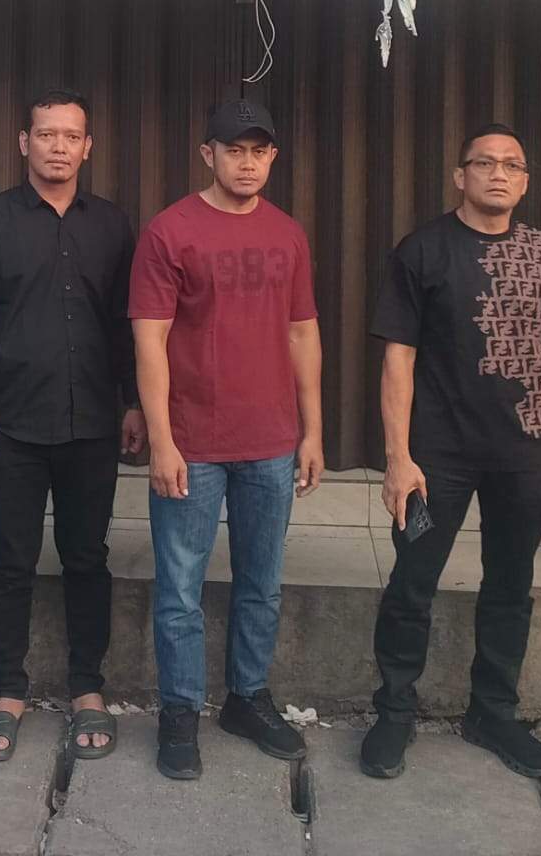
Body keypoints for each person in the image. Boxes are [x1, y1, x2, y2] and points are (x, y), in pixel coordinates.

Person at [362, 124, 541, 782]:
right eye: (485, 163)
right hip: (436, 456)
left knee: (510, 586)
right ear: (460, 176)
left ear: (524, 182)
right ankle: (394, 711)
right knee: (413, 580)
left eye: (512, 165)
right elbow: (398, 360)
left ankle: (493, 713)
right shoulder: (422, 251)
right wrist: (398, 456)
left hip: (525, 453)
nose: (498, 174)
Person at [0, 88, 145, 764]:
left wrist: (133, 402)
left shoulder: (111, 225)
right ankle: (8, 690)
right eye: (46, 134)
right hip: (11, 425)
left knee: (88, 556)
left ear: (88, 147)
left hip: (92, 423)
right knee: (12, 558)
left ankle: (88, 686)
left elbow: (125, 323)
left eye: (71, 135)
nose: (58, 146)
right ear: (24, 143)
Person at [129, 98, 324, 781]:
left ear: (273, 157)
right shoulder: (170, 231)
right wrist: (162, 440)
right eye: (233, 150)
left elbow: (302, 333)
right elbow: (149, 342)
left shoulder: (287, 234)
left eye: (258, 151)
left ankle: (247, 697)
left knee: (261, 584)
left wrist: (312, 431)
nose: (246, 163)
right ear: (207, 153)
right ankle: (180, 712)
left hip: (271, 441)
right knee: (180, 588)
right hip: (193, 442)